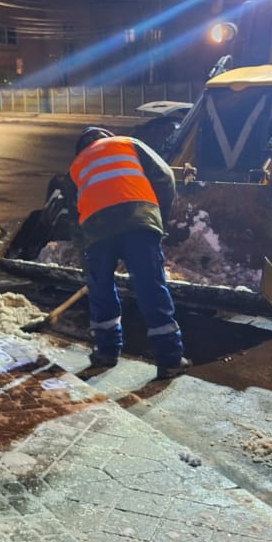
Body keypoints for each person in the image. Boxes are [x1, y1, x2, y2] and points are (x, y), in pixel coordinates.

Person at [68, 126, 189, 380]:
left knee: (101, 292)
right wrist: (158, 219)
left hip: (97, 231)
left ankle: (106, 353)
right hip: (139, 223)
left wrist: (87, 264)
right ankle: (170, 360)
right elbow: (165, 176)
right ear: (106, 136)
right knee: (150, 287)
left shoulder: (77, 166)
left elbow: (74, 216)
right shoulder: (127, 143)